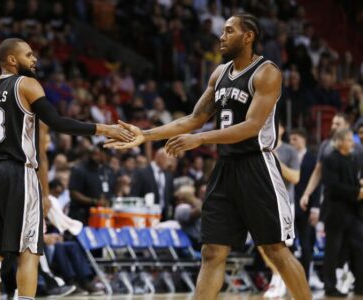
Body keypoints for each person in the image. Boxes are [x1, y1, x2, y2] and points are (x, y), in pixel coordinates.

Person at [106, 14, 312, 300]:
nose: (222, 36)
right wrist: (146, 134)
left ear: (248, 36)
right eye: (223, 31)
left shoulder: (267, 72)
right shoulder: (219, 73)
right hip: (225, 168)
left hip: (258, 166)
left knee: (275, 249)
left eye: (229, 31)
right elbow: (194, 118)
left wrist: (201, 138)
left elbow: (251, 127)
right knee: (212, 251)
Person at [0, 38, 134, 300]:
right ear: (12, 60)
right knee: (30, 249)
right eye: (29, 55)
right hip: (19, 172)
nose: (34, 60)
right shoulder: (26, 84)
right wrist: (104, 128)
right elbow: (58, 122)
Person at [321, 129, 363, 297]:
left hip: (352, 211)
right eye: (348, 140)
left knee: (359, 247)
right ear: (339, 141)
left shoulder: (352, 159)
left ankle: (360, 285)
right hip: (335, 213)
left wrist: (359, 186)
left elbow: (351, 182)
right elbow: (332, 186)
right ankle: (330, 287)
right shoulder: (330, 158)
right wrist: (357, 193)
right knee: (333, 251)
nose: (351, 143)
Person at [260, 123, 300, 299]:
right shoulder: (258, 147)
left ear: (282, 128)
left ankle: (282, 281)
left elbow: (295, 177)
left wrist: (274, 159)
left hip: (284, 202)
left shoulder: (290, 151)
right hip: (262, 201)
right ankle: (277, 276)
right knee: (261, 244)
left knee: (281, 246)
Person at [289, 128, 322, 288]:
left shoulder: (312, 158)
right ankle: (288, 280)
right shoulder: (289, 158)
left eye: (294, 139)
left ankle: (306, 280)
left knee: (307, 245)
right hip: (290, 206)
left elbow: (317, 185)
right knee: (288, 245)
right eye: (291, 140)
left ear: (303, 139)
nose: (292, 142)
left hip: (307, 207)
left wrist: (315, 208)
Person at [130, 148, 175, 220]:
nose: (170, 163)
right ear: (159, 158)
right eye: (168, 159)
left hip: (164, 217)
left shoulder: (169, 175)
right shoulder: (142, 173)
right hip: (146, 216)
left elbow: (170, 197)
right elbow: (134, 195)